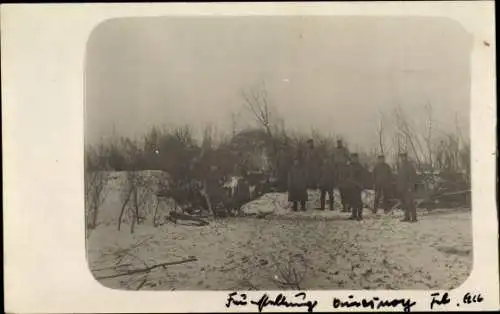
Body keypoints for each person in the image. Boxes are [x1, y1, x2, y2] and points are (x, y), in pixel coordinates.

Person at [345, 153, 367, 221]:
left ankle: (360, 215)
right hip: (351, 186)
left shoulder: (359, 166)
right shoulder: (350, 166)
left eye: (355, 158)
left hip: (357, 186)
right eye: (352, 158)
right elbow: (348, 175)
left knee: (358, 201)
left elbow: (362, 176)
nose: (354, 159)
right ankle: (354, 215)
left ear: (357, 158)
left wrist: (360, 184)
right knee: (353, 200)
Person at [397, 152, 418, 222]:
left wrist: (410, 187)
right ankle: (407, 217)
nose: (402, 158)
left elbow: (412, 178)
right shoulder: (401, 166)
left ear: (406, 157)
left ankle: (414, 218)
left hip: (408, 189)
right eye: (401, 157)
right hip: (403, 188)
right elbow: (400, 178)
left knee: (410, 203)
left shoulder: (409, 166)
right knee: (405, 204)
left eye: (403, 157)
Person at [333, 139, 351, 212]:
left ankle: (348, 207)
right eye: (337, 143)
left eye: (339, 143)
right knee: (342, 193)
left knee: (347, 193)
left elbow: (348, 156)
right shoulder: (335, 150)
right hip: (340, 181)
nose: (338, 144)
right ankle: (344, 207)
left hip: (346, 182)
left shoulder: (344, 150)